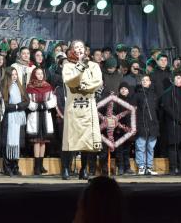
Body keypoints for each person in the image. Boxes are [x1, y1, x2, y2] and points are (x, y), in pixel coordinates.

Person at [62, 39, 103, 180]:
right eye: (76, 47)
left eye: (81, 47)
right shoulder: (67, 65)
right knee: (70, 138)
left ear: (85, 50)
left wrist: (84, 87)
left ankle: (83, 170)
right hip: (73, 106)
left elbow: (98, 81)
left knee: (86, 140)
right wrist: (80, 66)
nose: (79, 49)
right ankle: (65, 168)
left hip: (88, 106)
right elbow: (71, 81)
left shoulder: (93, 65)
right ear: (72, 50)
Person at [26, 67, 57, 175]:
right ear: (34, 75)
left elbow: (53, 100)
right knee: (36, 141)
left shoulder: (48, 86)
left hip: (45, 114)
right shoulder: (30, 87)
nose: (40, 75)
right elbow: (27, 101)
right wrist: (36, 106)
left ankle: (41, 165)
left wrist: (44, 105)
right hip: (35, 115)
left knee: (43, 141)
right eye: (38, 74)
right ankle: (36, 166)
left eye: (41, 74)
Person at [0, 67, 28, 176]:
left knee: (17, 143)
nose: (15, 76)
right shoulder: (4, 87)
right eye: (12, 74)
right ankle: (7, 167)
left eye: (16, 74)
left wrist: (18, 106)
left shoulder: (20, 87)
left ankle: (15, 166)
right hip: (9, 118)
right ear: (8, 75)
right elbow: (4, 105)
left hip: (19, 118)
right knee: (8, 142)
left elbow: (27, 101)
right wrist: (16, 107)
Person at [134, 75, 160, 175]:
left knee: (150, 147)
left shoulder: (153, 95)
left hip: (153, 124)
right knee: (140, 146)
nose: (145, 82)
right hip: (141, 123)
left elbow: (156, 110)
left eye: (147, 80)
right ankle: (141, 166)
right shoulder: (137, 95)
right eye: (143, 80)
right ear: (141, 82)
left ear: (150, 82)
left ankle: (149, 167)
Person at [113, 82, 135, 175]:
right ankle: (120, 167)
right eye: (122, 89)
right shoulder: (116, 101)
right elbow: (113, 114)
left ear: (128, 90)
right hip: (119, 129)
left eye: (125, 89)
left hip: (129, 129)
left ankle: (127, 167)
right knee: (119, 150)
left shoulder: (131, 101)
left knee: (127, 149)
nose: (123, 90)